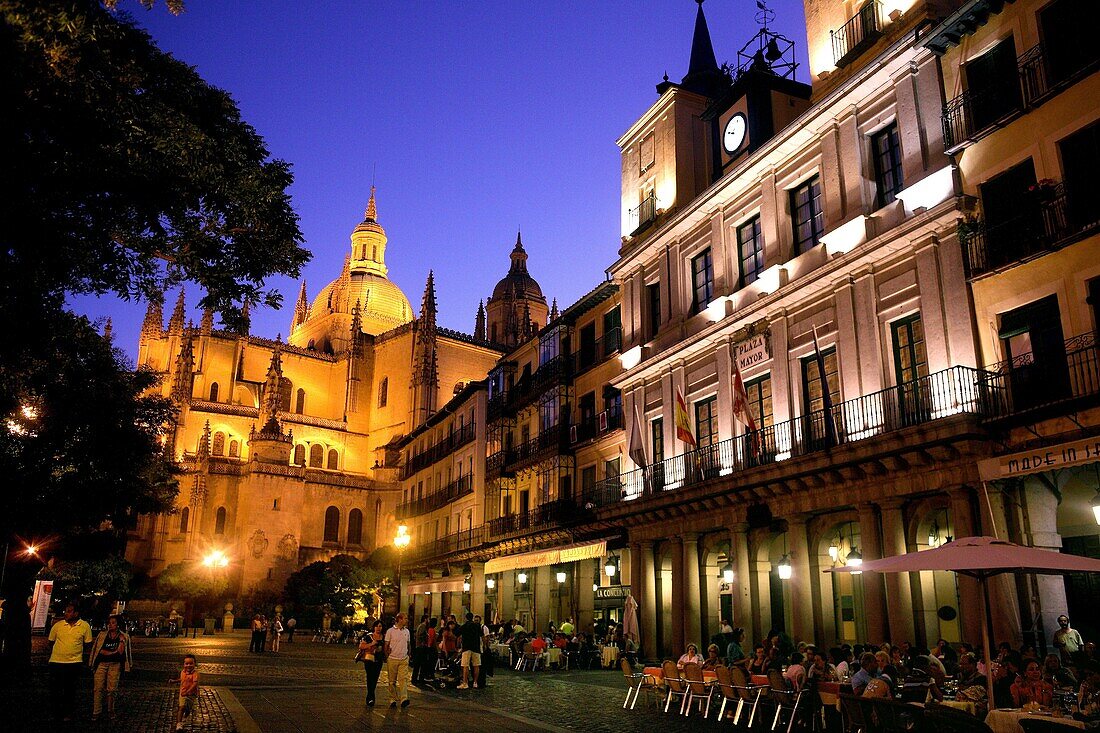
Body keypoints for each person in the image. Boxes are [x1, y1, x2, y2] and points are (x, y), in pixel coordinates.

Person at [47, 603, 93, 722]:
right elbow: (50, 642)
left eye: (69, 611)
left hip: (74, 663)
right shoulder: (58, 626)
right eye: (66, 611)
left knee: (70, 690)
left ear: (76, 613)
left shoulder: (84, 626)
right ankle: (55, 712)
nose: (66, 613)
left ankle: (68, 713)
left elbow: (88, 644)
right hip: (56, 662)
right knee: (55, 689)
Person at [89, 614, 131, 720]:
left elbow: (123, 652)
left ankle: (110, 710)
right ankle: (96, 711)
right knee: (97, 688)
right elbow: (98, 650)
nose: (110, 625)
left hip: (115, 665)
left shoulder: (124, 636)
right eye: (109, 623)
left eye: (113, 623)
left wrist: (121, 641)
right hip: (101, 664)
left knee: (112, 689)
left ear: (118, 625)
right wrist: (92, 662)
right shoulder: (102, 635)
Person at [384, 613, 411, 707]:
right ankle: (392, 699)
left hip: (403, 658)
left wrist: (408, 654)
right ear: (399, 619)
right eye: (405, 618)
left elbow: (408, 644)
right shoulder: (390, 631)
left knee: (403, 679)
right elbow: (386, 645)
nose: (407, 620)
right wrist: (387, 656)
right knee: (392, 681)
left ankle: (404, 699)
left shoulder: (407, 631)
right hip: (393, 658)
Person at [358, 620, 385, 706]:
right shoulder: (369, 637)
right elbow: (361, 646)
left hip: (378, 660)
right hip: (369, 659)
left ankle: (370, 696)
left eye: (380, 626)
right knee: (370, 678)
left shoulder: (384, 637)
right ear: (374, 627)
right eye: (377, 626)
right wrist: (371, 644)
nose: (378, 628)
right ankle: (370, 698)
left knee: (375, 678)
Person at [457, 612, 482, 690]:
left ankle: (465, 683)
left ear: (466, 618)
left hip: (466, 647)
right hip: (476, 647)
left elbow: (457, 634)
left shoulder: (464, 626)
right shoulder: (477, 626)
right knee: (476, 665)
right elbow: (481, 635)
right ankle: (475, 682)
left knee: (465, 665)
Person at [175, 654, 200, 732]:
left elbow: (194, 684)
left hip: (191, 695)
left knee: (188, 709)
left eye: (191, 663)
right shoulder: (183, 672)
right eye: (186, 663)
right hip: (182, 693)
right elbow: (182, 679)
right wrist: (174, 681)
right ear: (184, 664)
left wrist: (188, 692)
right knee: (181, 707)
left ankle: (185, 717)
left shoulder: (195, 673)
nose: (188, 665)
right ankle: (179, 724)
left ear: (194, 664)